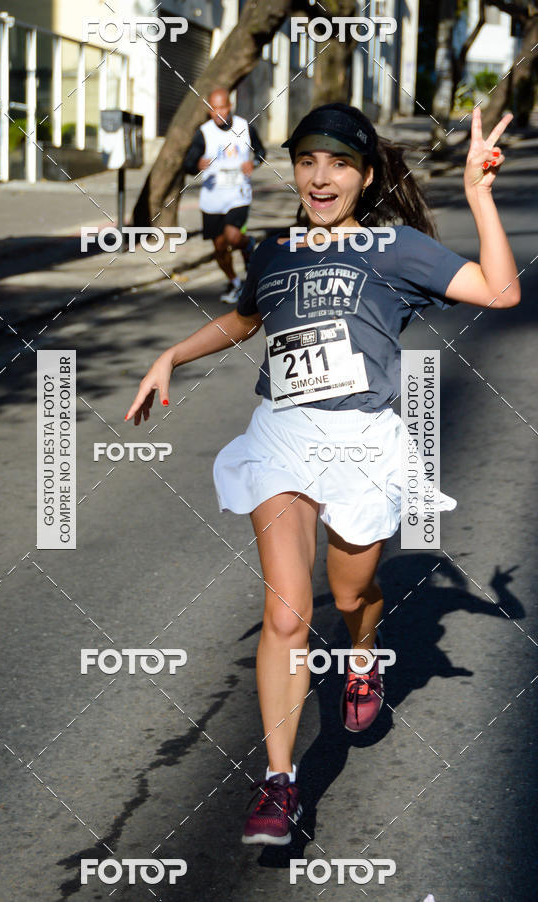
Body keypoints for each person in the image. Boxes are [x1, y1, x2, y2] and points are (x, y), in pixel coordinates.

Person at [126, 102, 520, 846]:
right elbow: (246, 318)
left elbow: (501, 291)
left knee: (349, 594)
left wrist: (478, 194)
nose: (319, 176)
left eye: (338, 163)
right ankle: (280, 783)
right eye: (307, 161)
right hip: (281, 435)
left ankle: (363, 652)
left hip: (361, 441)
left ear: (365, 176)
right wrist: (172, 354)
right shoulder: (274, 250)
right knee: (286, 614)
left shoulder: (395, 247)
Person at [183, 87, 266, 304]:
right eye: (214, 108)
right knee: (219, 247)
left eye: (222, 107)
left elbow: (261, 152)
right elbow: (188, 164)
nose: (218, 112)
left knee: (233, 236)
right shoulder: (203, 133)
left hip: (238, 193)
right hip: (212, 198)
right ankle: (235, 282)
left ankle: (247, 243)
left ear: (230, 106)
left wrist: (254, 162)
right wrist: (197, 164)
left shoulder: (244, 127)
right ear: (209, 110)